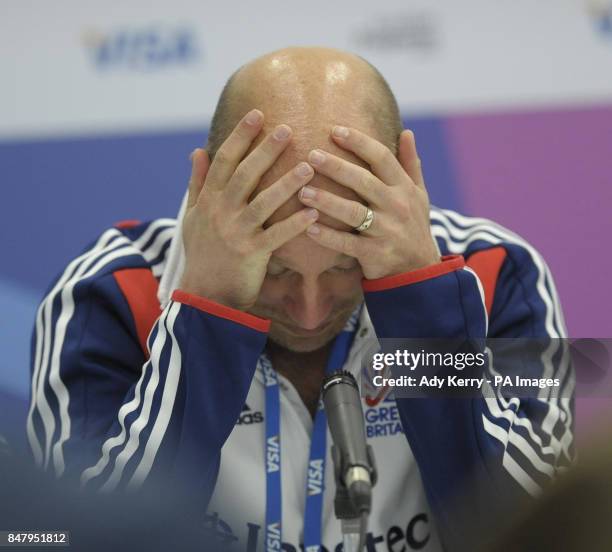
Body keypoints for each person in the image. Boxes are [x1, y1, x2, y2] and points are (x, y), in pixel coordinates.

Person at [27, 47, 574, 551]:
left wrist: (419, 300)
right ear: (206, 193)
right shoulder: (111, 293)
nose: (310, 310)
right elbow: (84, 537)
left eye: (343, 266)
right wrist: (210, 310)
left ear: (404, 185)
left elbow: (537, 533)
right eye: (276, 270)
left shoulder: (497, 274)